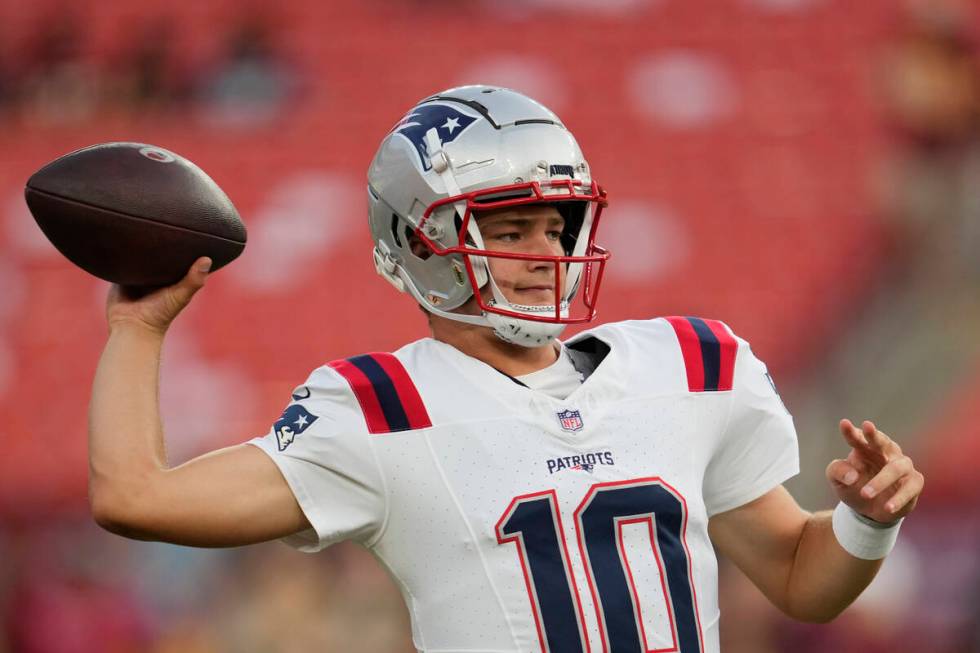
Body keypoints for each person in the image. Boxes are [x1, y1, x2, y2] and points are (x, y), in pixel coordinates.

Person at [88, 85, 925, 652]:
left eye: (556, 227)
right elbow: (135, 495)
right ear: (422, 240)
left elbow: (797, 579)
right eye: (510, 229)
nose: (545, 253)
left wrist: (866, 521)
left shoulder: (686, 365)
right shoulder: (382, 410)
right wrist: (139, 328)